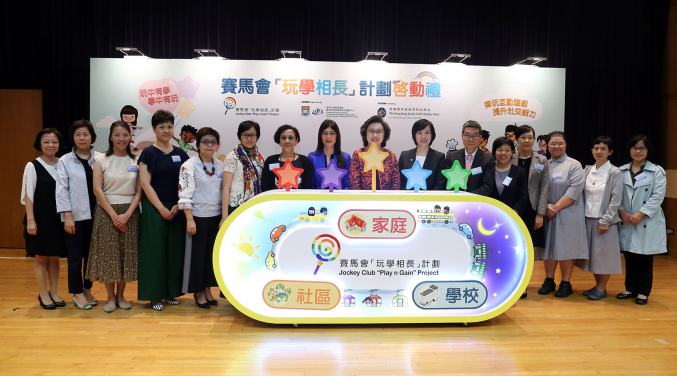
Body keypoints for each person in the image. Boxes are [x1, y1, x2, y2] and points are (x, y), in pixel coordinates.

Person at [86, 121, 142, 312]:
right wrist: (113, 215)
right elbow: (97, 190)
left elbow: (139, 192)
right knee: (109, 255)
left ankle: (121, 296)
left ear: (130, 137)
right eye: (117, 135)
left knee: (126, 255)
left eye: (125, 135)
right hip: (106, 211)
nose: (121, 139)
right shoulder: (101, 159)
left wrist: (126, 215)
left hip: (130, 212)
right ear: (111, 137)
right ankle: (110, 297)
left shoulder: (136, 160)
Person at [137, 110, 189, 311]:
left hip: (177, 208)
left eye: (169, 126)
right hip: (154, 208)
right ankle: (155, 296)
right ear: (154, 129)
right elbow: (145, 183)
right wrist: (160, 208)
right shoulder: (148, 152)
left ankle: (170, 292)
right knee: (155, 252)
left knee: (174, 251)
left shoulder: (180, 153)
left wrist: (180, 203)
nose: (166, 130)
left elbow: (186, 181)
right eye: (161, 127)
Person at [56, 120, 100, 310]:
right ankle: (77, 292)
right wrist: (67, 215)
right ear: (73, 138)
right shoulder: (65, 160)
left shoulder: (100, 157)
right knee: (75, 257)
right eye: (77, 134)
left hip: (98, 216)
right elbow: (61, 189)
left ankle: (87, 288)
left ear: (92, 137)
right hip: (75, 216)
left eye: (85, 134)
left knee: (91, 257)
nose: (82, 138)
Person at [617, 135, 666, 305]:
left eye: (642, 148)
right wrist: (621, 210)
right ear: (630, 150)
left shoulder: (657, 171)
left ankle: (643, 292)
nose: (638, 151)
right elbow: (615, 195)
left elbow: (657, 196)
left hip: (646, 220)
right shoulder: (621, 171)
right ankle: (630, 288)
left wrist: (641, 213)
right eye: (635, 148)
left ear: (647, 151)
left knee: (645, 258)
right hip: (627, 219)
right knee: (630, 256)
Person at [22, 128, 67, 310]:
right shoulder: (32, 165)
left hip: (58, 219)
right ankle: (43, 293)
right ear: (39, 144)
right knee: (41, 257)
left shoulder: (62, 164)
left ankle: (54, 291)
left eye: (54, 141)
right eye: (46, 141)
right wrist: (31, 220)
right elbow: (28, 195)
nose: (50, 145)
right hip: (39, 218)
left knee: (54, 256)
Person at [178, 127, 223, 309]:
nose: (209, 145)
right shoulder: (189, 166)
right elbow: (184, 195)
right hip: (197, 217)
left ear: (218, 145)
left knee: (210, 257)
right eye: (205, 141)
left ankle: (207, 290)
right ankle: (198, 292)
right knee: (197, 258)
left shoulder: (220, 165)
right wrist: (189, 219)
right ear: (198, 144)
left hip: (216, 218)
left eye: (213, 141)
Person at [539, 132, 588, 298]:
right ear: (547, 145)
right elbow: (537, 187)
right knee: (549, 248)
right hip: (547, 212)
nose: (556, 146)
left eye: (560, 143)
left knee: (567, 248)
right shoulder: (543, 163)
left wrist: (556, 207)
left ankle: (566, 283)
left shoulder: (574, 165)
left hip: (568, 212)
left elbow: (575, 189)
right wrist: (545, 206)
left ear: (566, 145)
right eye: (553, 143)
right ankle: (549, 280)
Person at [574, 136, 623, 301]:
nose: (599, 151)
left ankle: (601, 289)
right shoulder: (587, 170)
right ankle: (598, 286)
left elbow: (616, 199)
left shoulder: (614, 172)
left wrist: (606, 220)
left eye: (603, 148)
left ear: (610, 152)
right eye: (596, 148)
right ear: (592, 150)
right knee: (593, 256)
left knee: (605, 256)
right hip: (587, 218)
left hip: (605, 222)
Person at [511, 125, 550, 298]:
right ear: (516, 139)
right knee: (513, 246)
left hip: (532, 210)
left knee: (528, 249)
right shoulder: (509, 157)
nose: (527, 141)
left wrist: (540, 214)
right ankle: (512, 281)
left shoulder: (542, 160)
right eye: (523, 137)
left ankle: (524, 284)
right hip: (513, 209)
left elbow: (544, 188)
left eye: (530, 137)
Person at [435, 120, 495, 195]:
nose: (471, 139)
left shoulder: (488, 159)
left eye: (475, 136)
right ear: (462, 137)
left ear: (480, 138)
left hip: (476, 202)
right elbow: (445, 182)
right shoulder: (452, 157)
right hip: (455, 200)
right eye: (467, 135)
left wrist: (467, 198)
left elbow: (486, 187)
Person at [221, 121, 265, 222]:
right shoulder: (232, 157)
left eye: (252, 135)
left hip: (256, 206)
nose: (249, 139)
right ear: (240, 136)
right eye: (245, 135)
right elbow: (226, 188)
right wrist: (224, 216)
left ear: (257, 137)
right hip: (237, 205)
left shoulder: (261, 158)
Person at [349, 115, 400, 190]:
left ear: (384, 134)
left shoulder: (390, 155)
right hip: (364, 200)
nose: (375, 135)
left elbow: (395, 183)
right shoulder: (358, 154)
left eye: (379, 131)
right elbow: (354, 184)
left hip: (386, 199)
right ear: (365, 133)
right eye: (371, 131)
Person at [262, 125, 313, 191]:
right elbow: (265, 187)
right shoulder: (270, 161)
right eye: (283, 138)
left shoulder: (305, 161)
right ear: (279, 141)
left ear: (296, 140)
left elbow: (307, 188)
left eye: (291, 138)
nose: (287, 141)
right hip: (275, 200)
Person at [399, 119, 445, 190]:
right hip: (408, 199)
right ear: (414, 135)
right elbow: (400, 182)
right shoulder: (404, 155)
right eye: (419, 133)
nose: (423, 136)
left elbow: (440, 185)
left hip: (430, 199)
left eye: (427, 133)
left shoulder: (439, 157)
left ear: (432, 135)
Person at [489, 137, 528, 215]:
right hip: (490, 214)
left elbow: (523, 197)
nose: (503, 153)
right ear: (494, 152)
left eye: (507, 150)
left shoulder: (519, 172)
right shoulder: (488, 170)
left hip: (512, 217)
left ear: (512, 152)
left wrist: (513, 213)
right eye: (500, 150)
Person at [308, 120, 351, 189]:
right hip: (317, 198)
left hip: (339, 198)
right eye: (325, 133)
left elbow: (347, 185)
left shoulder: (346, 157)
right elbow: (311, 185)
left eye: (332, 133)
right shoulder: (312, 157)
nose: (328, 137)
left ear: (337, 136)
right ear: (320, 136)